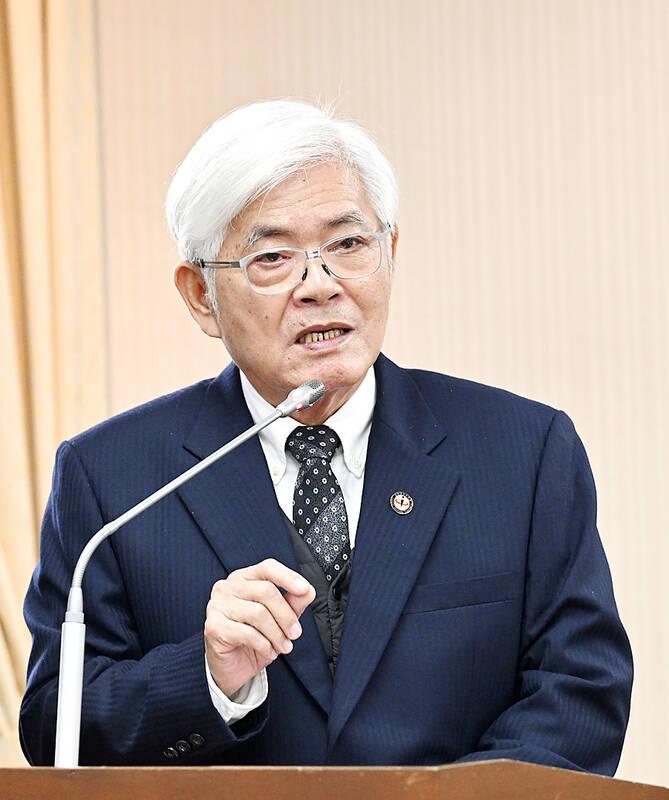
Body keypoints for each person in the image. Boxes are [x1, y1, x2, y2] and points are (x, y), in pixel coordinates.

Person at [20, 99, 633, 771]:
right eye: (273, 257)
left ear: (389, 252)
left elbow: (579, 691)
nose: (320, 285)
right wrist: (208, 678)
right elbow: (56, 730)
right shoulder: (112, 477)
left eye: (347, 245)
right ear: (200, 296)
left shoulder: (521, 451)